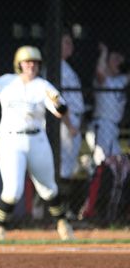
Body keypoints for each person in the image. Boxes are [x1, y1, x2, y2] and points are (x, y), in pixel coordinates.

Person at [0, 45, 75, 243]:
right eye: (27, 62)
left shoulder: (43, 86)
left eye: (35, 63)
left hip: (37, 139)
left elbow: (61, 111)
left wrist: (58, 103)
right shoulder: (6, 82)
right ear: (19, 64)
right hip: (11, 140)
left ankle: (63, 224)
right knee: (12, 190)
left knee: (49, 189)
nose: (31, 66)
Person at [86, 43, 129, 166]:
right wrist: (104, 53)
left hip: (114, 127)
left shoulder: (120, 80)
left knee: (119, 164)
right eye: (115, 59)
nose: (118, 62)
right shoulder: (103, 80)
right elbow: (100, 71)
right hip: (102, 125)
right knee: (104, 163)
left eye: (121, 60)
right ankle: (95, 181)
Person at [58, 29, 86, 214]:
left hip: (72, 122)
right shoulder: (56, 67)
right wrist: (69, 124)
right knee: (64, 169)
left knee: (70, 168)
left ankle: (63, 210)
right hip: (65, 123)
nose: (71, 46)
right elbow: (57, 100)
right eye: (66, 42)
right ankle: (60, 212)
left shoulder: (65, 66)